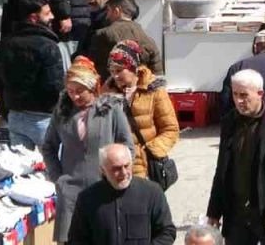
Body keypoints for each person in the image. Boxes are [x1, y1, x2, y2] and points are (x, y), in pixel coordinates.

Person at [42, 58, 133, 243]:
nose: (74, 97)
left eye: (79, 91)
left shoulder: (111, 109)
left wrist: (119, 174)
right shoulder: (62, 111)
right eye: (70, 91)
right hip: (71, 191)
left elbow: (127, 144)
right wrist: (58, 177)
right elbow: (49, 146)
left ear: (92, 88)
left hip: (105, 189)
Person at [207, 69, 265, 245]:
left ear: (260, 94)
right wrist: (214, 211)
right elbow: (222, 170)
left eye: (244, 95)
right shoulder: (230, 121)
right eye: (235, 94)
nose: (238, 101)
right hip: (237, 211)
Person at [0, 0, 64, 149]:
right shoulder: (49, 47)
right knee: (52, 169)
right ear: (33, 18)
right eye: (47, 13)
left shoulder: (4, 45)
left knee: (21, 168)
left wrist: (7, 112)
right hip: (44, 119)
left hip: (15, 116)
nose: (52, 17)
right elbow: (55, 87)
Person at [67, 143, 176, 245]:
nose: (123, 173)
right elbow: (76, 240)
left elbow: (167, 231)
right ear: (103, 170)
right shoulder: (87, 199)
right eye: (116, 169)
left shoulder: (152, 192)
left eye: (126, 166)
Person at [104, 40, 179, 179]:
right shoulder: (106, 94)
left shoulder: (154, 91)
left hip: (146, 170)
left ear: (133, 68)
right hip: (117, 169)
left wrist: (148, 151)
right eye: (112, 71)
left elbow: (170, 129)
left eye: (119, 71)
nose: (115, 76)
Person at [86, 0, 161, 77]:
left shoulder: (103, 34)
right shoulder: (148, 39)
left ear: (117, 11)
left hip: (111, 87)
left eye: (108, 10)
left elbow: (92, 68)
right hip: (140, 87)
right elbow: (156, 73)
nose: (107, 16)